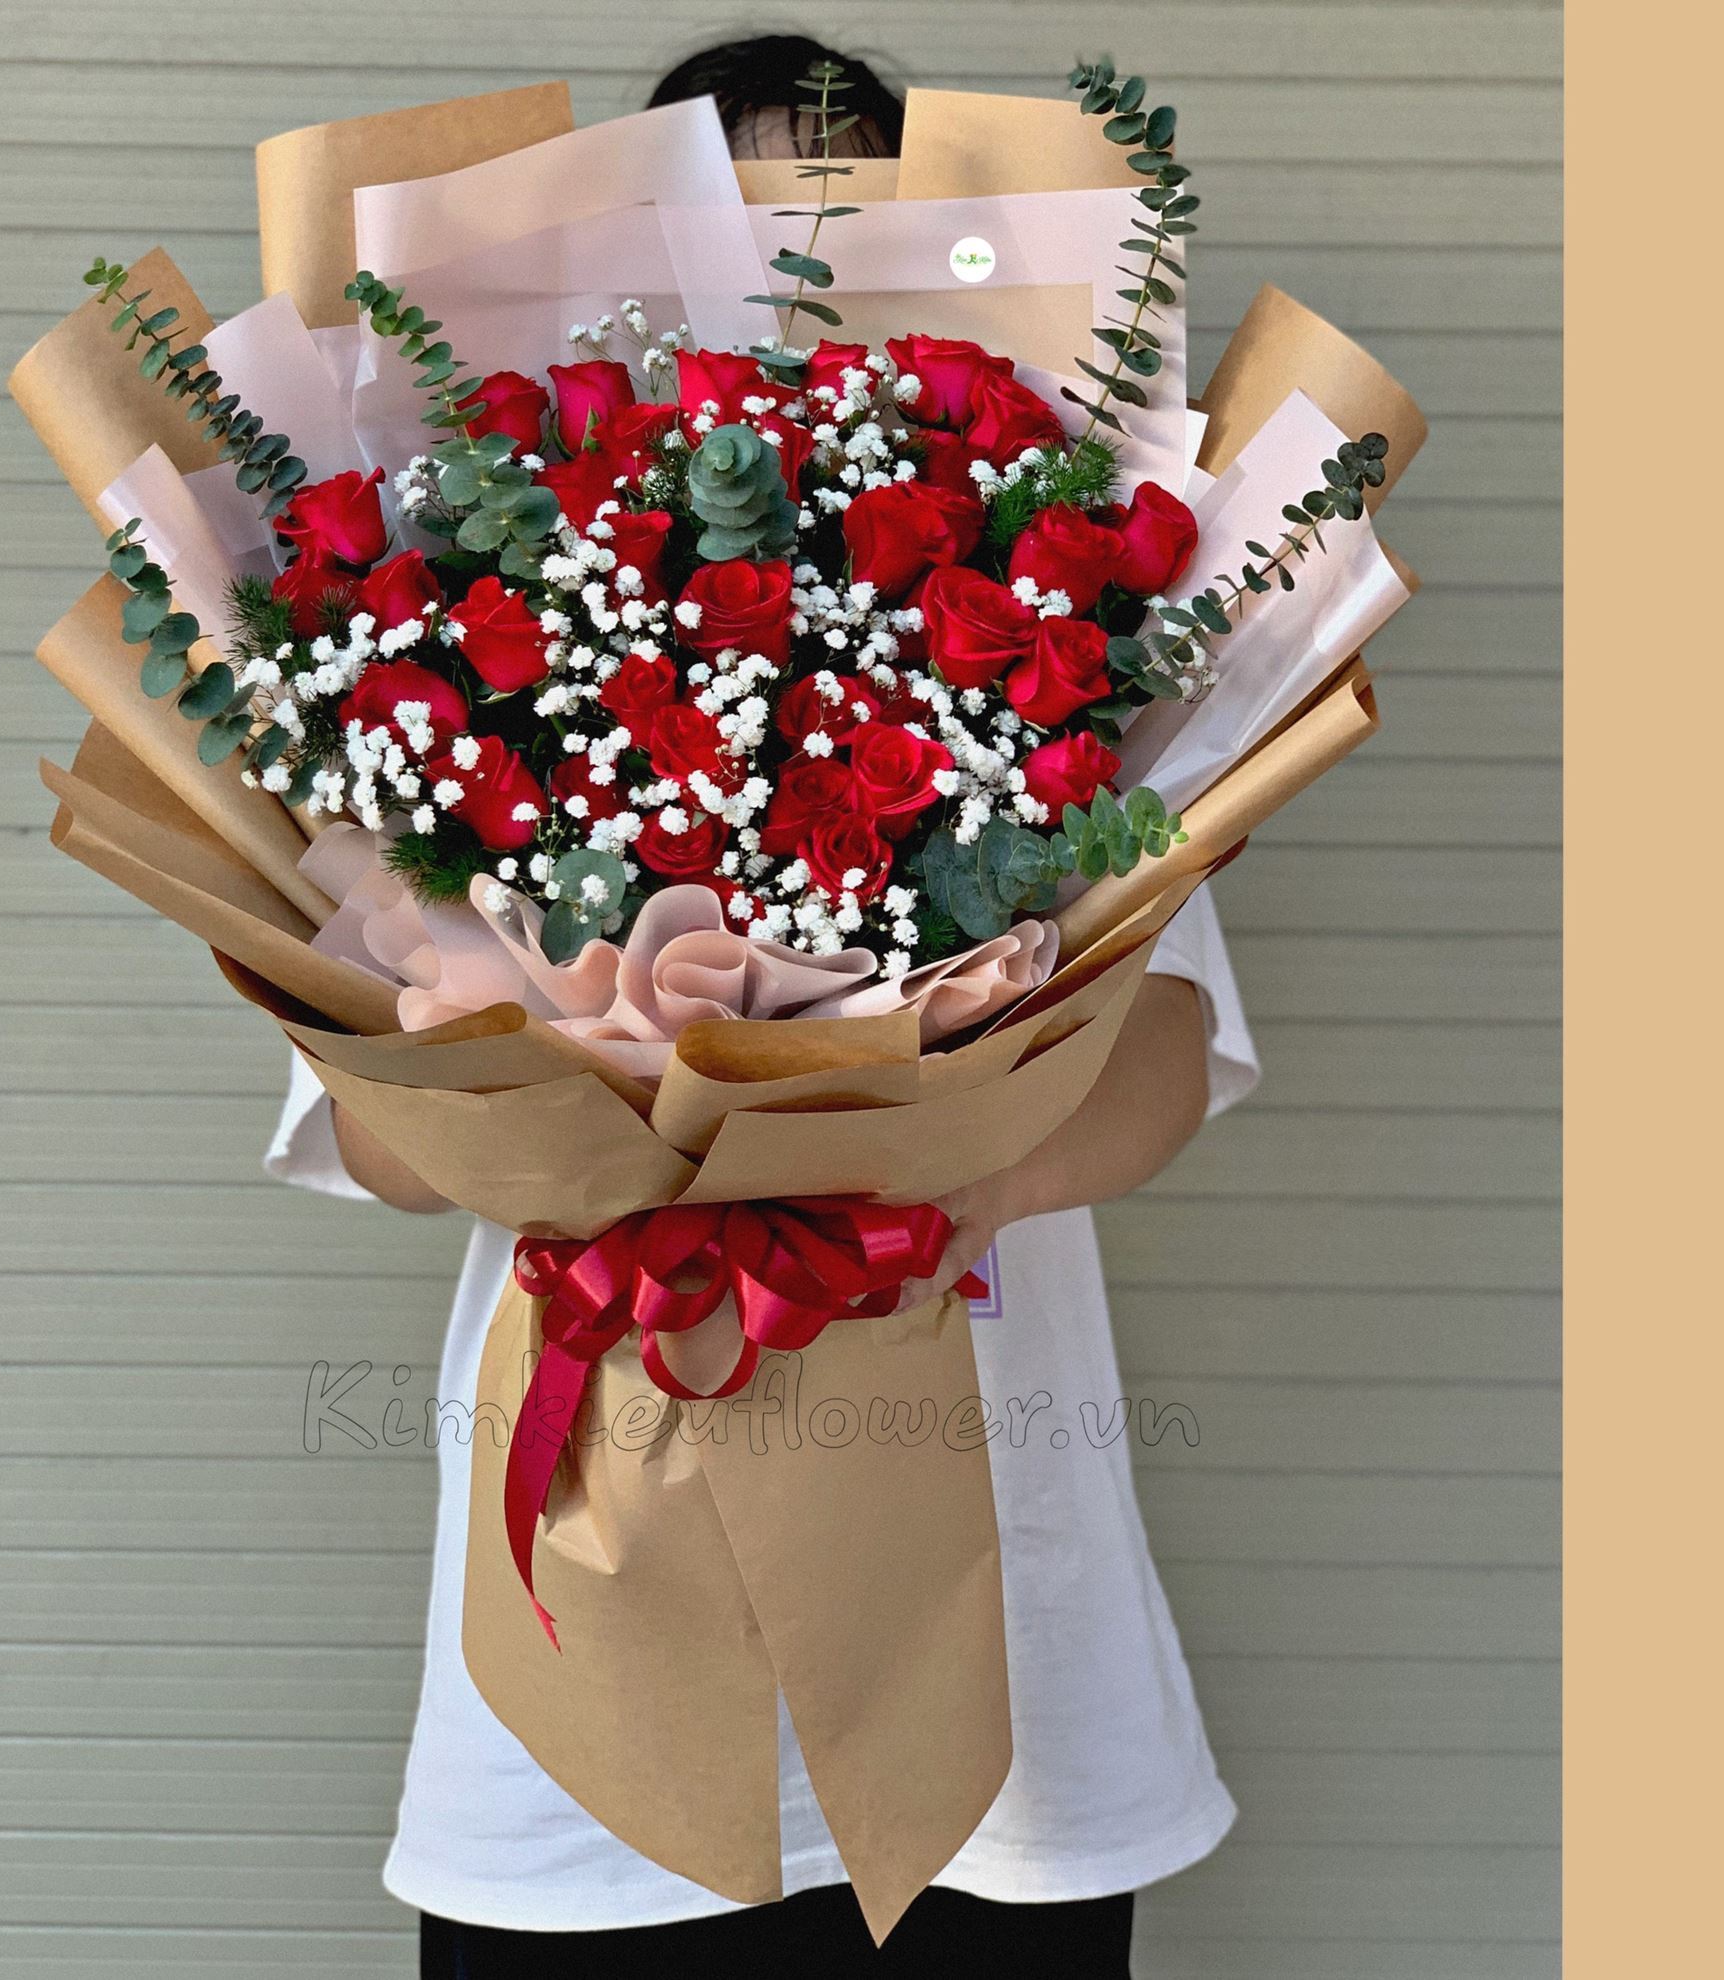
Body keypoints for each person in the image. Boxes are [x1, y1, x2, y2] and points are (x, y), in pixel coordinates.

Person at [266, 36, 1259, 1978]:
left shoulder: (1059, 668)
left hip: (1000, 1656)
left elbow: (1159, 1064)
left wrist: (907, 1199)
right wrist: (580, 1126)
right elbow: (380, 1138)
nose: (798, 290)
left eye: (854, 235)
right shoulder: (478, 652)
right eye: (738, 240)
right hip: (587, 1646)